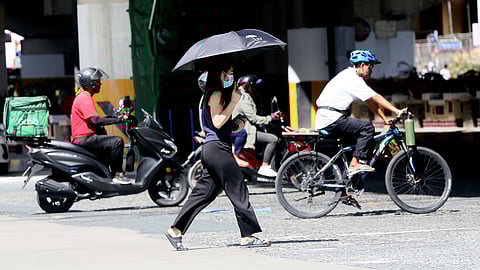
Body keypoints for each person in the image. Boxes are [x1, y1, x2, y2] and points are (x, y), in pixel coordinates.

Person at [165, 62, 270, 250]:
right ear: (220, 74)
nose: (232, 76)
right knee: (238, 190)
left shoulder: (218, 94)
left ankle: (176, 230)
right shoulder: (215, 94)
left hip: (215, 149)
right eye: (229, 73)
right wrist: (234, 103)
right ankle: (248, 235)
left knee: (204, 193)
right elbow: (217, 121)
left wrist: (238, 123)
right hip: (217, 150)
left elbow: (223, 126)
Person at [315, 49, 405, 177]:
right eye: (370, 66)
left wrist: (385, 119)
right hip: (332, 118)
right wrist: (397, 111)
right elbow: (376, 97)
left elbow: (370, 101)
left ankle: (346, 187)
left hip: (330, 117)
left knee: (360, 142)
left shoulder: (350, 76)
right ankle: (355, 164)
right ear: (362, 65)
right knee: (367, 128)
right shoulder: (352, 79)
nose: (372, 69)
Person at [71, 67, 130, 184]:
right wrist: (118, 120)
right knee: (117, 141)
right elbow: (95, 120)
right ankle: (117, 174)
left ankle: (105, 174)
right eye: (98, 81)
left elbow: (94, 119)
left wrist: (114, 117)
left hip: (84, 138)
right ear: (91, 83)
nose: (100, 83)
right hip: (84, 138)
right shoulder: (85, 98)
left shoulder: (83, 96)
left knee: (107, 138)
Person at [232, 74, 281, 177]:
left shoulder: (242, 96)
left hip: (246, 129)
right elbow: (253, 118)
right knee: (273, 139)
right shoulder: (244, 98)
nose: (255, 89)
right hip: (246, 131)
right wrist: (270, 117)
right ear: (247, 86)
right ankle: (264, 166)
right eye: (253, 86)